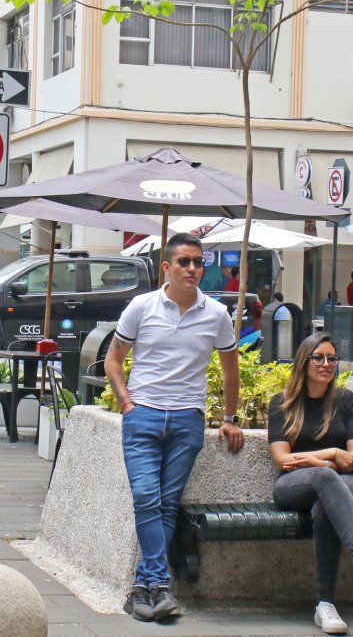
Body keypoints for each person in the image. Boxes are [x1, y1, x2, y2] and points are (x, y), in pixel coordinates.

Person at [105, 231, 245, 623]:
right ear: (166, 267)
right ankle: (158, 585)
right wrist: (127, 403)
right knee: (147, 498)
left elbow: (230, 370)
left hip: (187, 419)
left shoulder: (216, 314)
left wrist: (229, 418)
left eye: (198, 262)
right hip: (144, 415)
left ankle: (143, 590)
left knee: (167, 504)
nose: (193, 268)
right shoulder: (141, 306)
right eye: (184, 261)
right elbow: (113, 361)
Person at [269, 333, 353, 634]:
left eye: (332, 358)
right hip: (294, 485)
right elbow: (283, 460)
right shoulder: (282, 403)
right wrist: (329, 455)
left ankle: (325, 606)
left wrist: (317, 462)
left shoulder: (345, 400)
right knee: (325, 478)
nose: (326, 364)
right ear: (304, 362)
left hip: (347, 483)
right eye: (318, 358)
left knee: (325, 508)